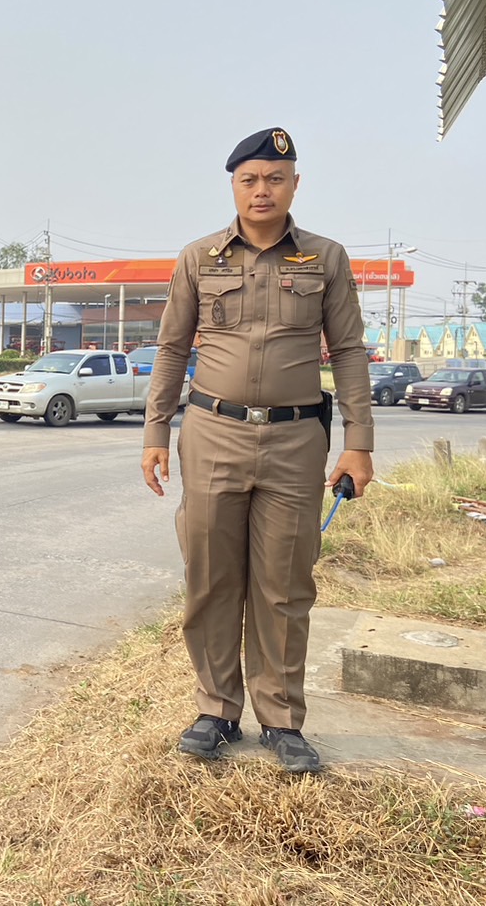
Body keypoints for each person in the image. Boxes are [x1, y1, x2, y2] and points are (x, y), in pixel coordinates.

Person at [140, 126, 374, 774]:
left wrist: (358, 443)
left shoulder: (325, 258)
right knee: (210, 576)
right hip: (212, 431)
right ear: (234, 186)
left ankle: (281, 719)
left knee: (283, 584)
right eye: (249, 179)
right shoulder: (199, 258)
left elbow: (348, 351)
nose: (261, 189)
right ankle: (216, 709)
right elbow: (172, 348)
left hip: (296, 440)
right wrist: (155, 431)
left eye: (274, 178)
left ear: (295, 184)